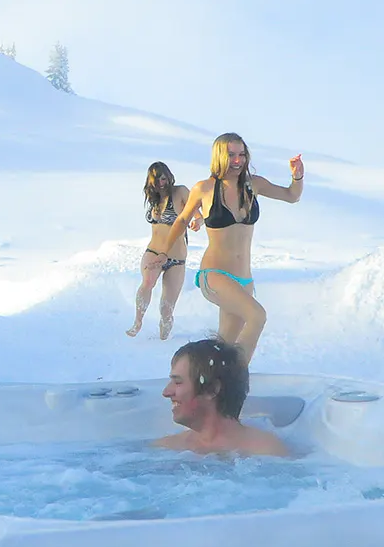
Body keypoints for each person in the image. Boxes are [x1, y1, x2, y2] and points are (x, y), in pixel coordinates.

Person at [148, 133, 303, 365]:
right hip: (215, 274)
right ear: (220, 156)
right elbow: (180, 221)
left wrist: (297, 175)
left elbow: (292, 196)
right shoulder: (204, 188)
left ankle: (207, 383)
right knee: (257, 316)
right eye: (231, 155)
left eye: (241, 154)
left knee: (225, 349)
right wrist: (163, 252)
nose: (238, 160)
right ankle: (236, 377)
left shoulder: (254, 184)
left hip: (243, 281)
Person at [154, 337, 289, 457]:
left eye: (178, 382)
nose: (166, 392)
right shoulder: (166, 448)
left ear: (211, 390)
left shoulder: (267, 451)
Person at [126, 162, 202, 340]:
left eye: (164, 176)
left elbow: (197, 212)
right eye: (158, 177)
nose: (162, 180)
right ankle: (138, 322)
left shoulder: (180, 192)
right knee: (148, 281)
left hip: (176, 258)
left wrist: (198, 221)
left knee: (166, 308)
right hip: (153, 251)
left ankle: (163, 339)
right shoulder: (153, 199)